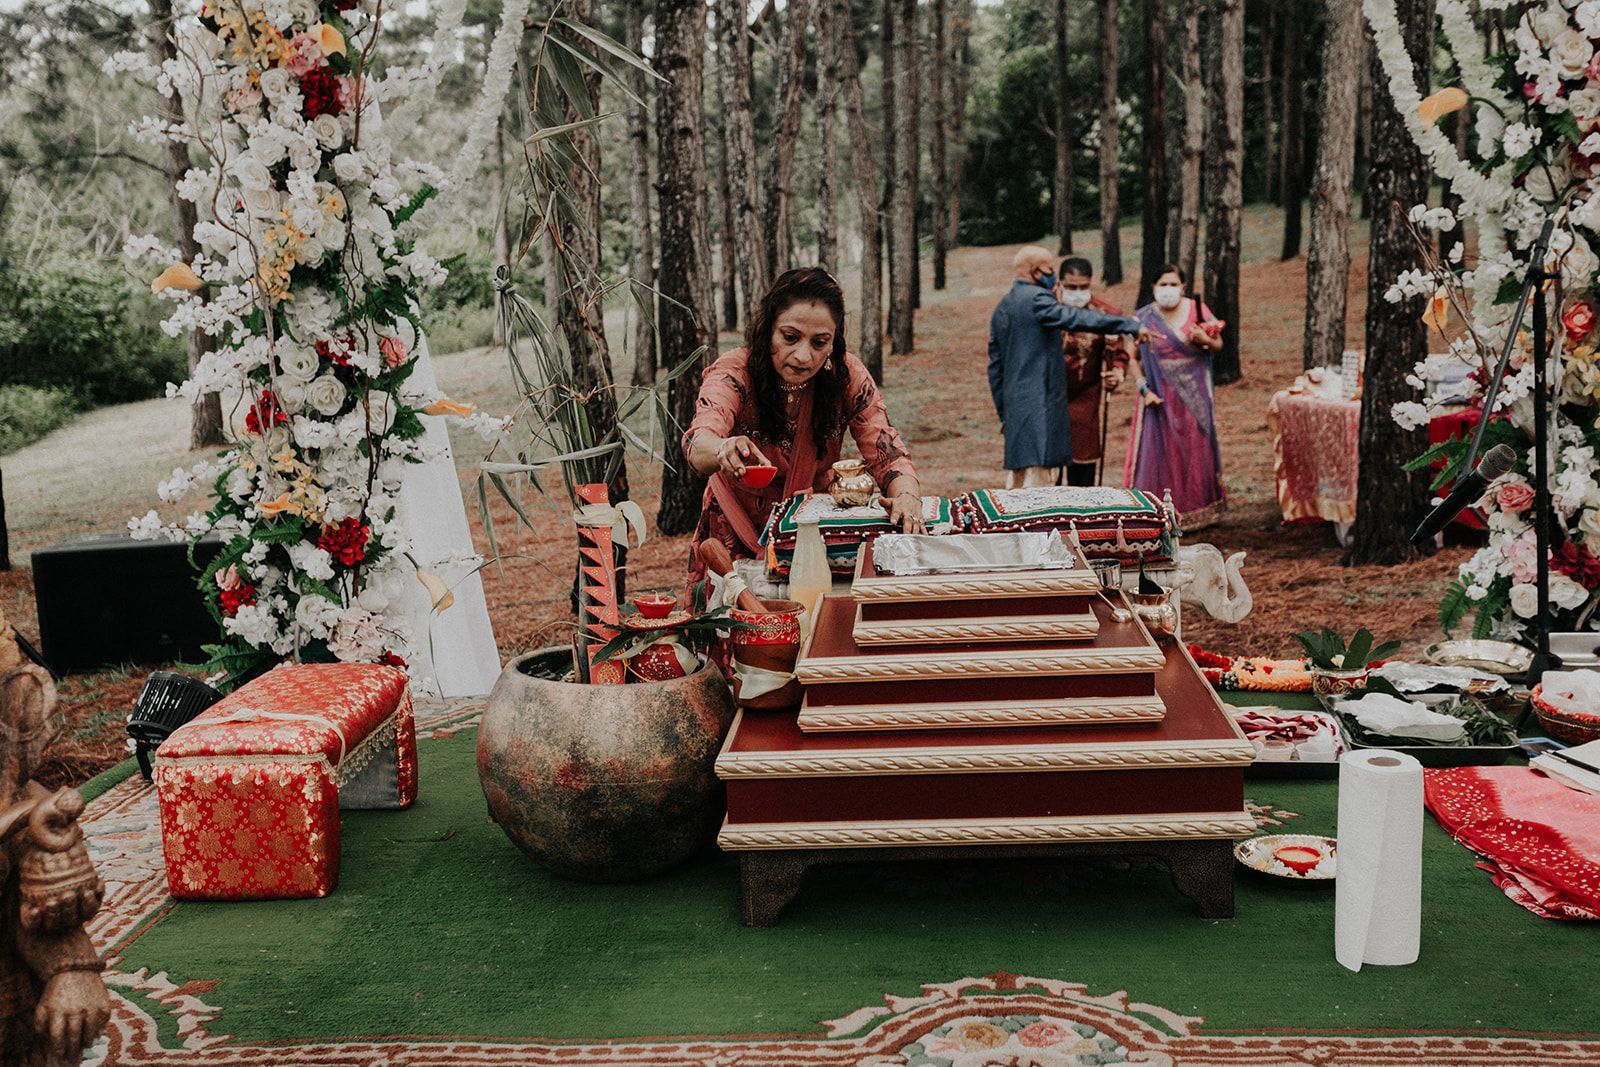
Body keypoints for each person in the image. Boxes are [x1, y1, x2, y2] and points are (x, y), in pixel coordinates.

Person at [683, 267, 924, 582]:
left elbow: (887, 453)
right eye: (790, 337)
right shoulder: (735, 371)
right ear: (768, 329)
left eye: (819, 342)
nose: (803, 356)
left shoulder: (845, 375)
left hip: (812, 534)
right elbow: (698, 442)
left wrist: (906, 496)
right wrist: (722, 449)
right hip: (732, 533)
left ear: (833, 342)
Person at [988, 245, 1144, 489]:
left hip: (1063, 403)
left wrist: (1006, 412)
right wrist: (1130, 325)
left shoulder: (1003, 306)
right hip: (1044, 409)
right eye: (1049, 269)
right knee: (1041, 491)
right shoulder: (1041, 301)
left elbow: (995, 369)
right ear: (1036, 272)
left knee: (1026, 489)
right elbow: (1074, 317)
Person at [1123, 264, 1226, 525]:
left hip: (1194, 396)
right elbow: (1132, 359)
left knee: (1194, 448)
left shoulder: (1198, 310)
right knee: (1162, 452)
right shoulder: (1143, 318)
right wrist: (1144, 390)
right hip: (1158, 395)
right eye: (1163, 284)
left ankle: (1196, 511)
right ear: (1153, 287)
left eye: (1173, 284)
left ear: (1183, 287)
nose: (1168, 289)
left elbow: (1217, 345)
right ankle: (1158, 514)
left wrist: (1204, 338)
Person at [1056, 256, 1134, 486]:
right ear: (1060, 283)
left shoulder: (1105, 314)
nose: (1077, 293)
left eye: (1083, 287)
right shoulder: (1045, 308)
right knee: (1048, 471)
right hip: (1047, 398)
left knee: (1082, 469)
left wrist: (1116, 373)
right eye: (1071, 287)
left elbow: (1119, 353)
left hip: (1085, 397)